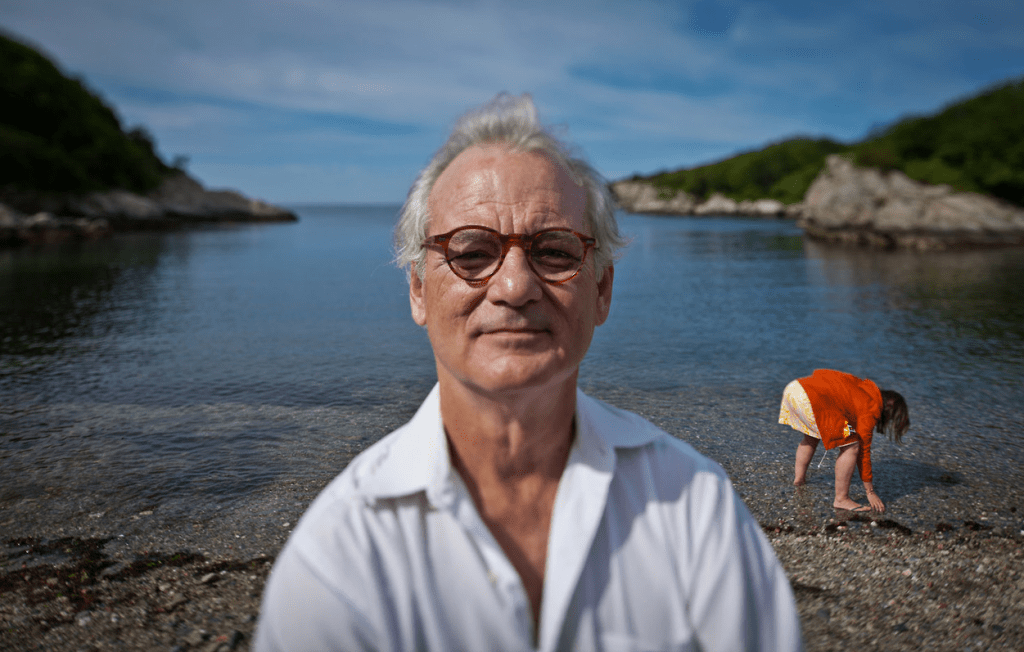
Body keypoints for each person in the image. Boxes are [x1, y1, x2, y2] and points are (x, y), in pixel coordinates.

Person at [256, 93, 802, 652]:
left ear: (603, 290)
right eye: (470, 253)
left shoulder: (693, 505)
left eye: (555, 251)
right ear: (418, 290)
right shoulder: (343, 546)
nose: (514, 287)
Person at [779, 368, 910, 513]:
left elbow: (822, 373)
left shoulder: (860, 386)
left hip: (795, 388)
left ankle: (799, 479)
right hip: (812, 397)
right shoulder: (870, 407)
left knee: (811, 436)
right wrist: (870, 492)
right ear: (889, 408)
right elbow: (863, 452)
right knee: (852, 446)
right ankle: (841, 499)